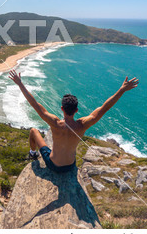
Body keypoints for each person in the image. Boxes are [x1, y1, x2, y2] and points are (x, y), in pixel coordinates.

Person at [8, 69, 139, 173]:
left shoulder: (55, 123)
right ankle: (36, 154)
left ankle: (32, 153)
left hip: (53, 165)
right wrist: (122, 90)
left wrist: (20, 84)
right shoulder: (83, 124)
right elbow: (105, 107)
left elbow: (34, 104)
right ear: (76, 110)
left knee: (33, 131)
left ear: (61, 108)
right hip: (70, 167)